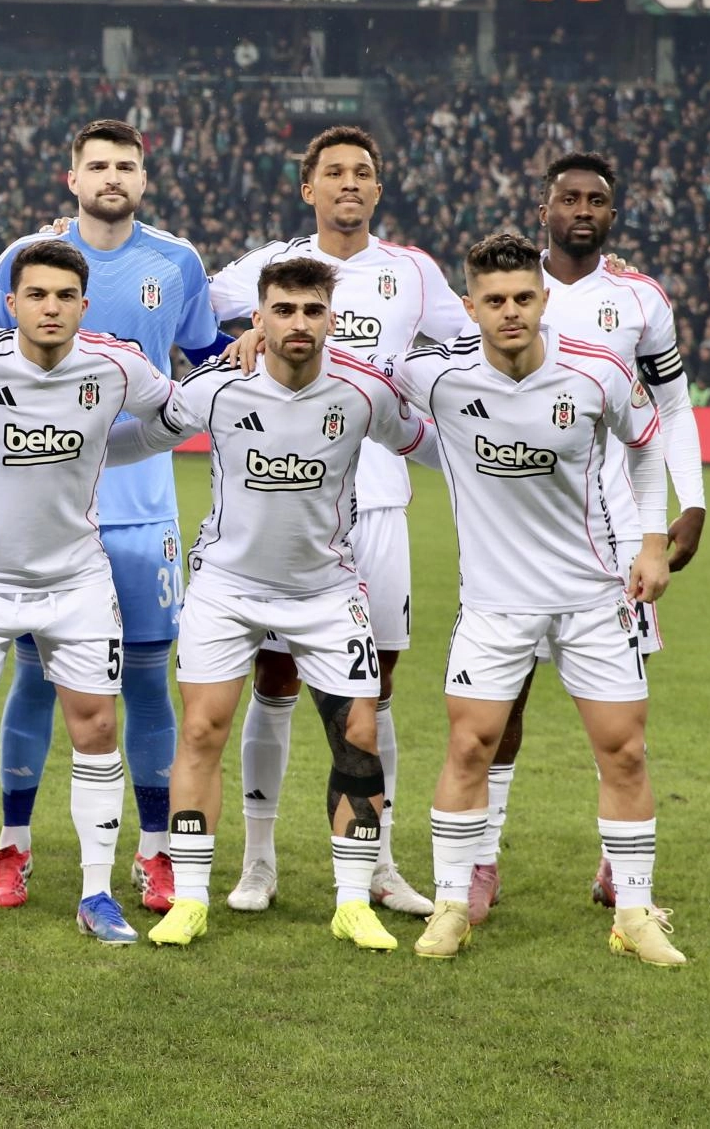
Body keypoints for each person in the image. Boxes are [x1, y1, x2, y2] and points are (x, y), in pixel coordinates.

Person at [113, 258, 436, 952]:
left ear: (332, 320)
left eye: (312, 310)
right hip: (226, 589)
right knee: (202, 731)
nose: (299, 323)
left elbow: (430, 445)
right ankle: (191, 899)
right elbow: (145, 434)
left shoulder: (363, 393)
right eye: (284, 310)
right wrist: (70, 457)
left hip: (327, 591)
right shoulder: (217, 387)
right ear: (257, 319)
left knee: (358, 734)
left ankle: (353, 903)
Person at [389, 233, 683, 967]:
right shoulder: (438, 377)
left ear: (544, 299)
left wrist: (652, 543)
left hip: (593, 597)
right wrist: (251, 344)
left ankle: (635, 913)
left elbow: (648, 443)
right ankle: (451, 905)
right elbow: (343, 363)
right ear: (470, 308)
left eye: (523, 297)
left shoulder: (596, 371)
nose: (511, 311)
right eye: (494, 300)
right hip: (495, 604)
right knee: (469, 746)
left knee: (624, 750)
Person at [208, 125, 467, 917]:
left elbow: (472, 344)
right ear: (307, 187)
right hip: (287, 501)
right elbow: (189, 311)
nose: (348, 183)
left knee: (376, 687)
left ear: (378, 189)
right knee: (275, 678)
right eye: (334, 172)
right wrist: (240, 335)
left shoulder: (412, 272)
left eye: (362, 172)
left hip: (379, 498)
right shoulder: (265, 266)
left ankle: (379, 862)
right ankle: (258, 862)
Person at [0, 239, 184, 947]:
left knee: (97, 729)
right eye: (36, 295)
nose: (50, 308)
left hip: (76, 579)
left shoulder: (116, 365)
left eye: (63, 296)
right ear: (12, 304)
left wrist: (112, 448)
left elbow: (175, 414)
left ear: (83, 305)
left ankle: (97, 894)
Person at [0, 120, 226, 916]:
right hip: (46, 511)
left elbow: (207, 359)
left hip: (143, 510)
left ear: (142, 180)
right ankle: (13, 845)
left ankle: (155, 852)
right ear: (73, 178)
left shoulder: (177, 262)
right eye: (98, 165)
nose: (112, 177)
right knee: (35, 678)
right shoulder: (26, 258)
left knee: (149, 680)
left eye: (125, 166)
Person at [470, 152, 707, 919]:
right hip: (514, 526)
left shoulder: (639, 297)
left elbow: (671, 408)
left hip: (613, 533)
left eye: (595, 200)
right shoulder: (506, 288)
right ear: (542, 210)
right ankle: (480, 861)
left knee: (620, 711)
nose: (581, 210)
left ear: (612, 214)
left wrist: (693, 502)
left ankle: (617, 865)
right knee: (501, 708)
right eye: (567, 198)